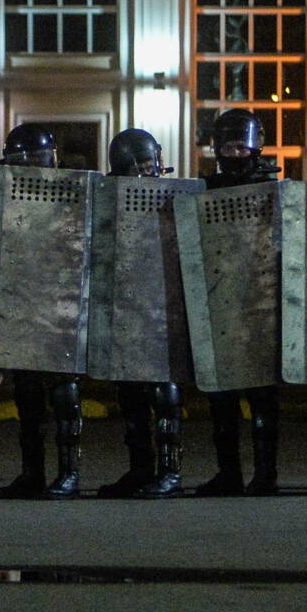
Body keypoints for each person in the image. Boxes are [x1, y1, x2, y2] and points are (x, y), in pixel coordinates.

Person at [0, 122, 86, 498]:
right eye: (24, 160)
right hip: (22, 303)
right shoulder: (2, 195)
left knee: (64, 393)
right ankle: (32, 473)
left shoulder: (72, 191)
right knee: (27, 396)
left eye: (38, 159)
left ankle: (69, 473)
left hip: (62, 304)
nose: (32, 166)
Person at [96, 128, 186, 498]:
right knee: (130, 394)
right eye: (142, 167)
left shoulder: (174, 195)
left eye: (152, 166)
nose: (150, 173)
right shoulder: (106, 197)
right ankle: (140, 468)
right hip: (124, 303)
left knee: (164, 393)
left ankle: (170, 471)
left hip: (164, 303)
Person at [198, 108, 281, 496]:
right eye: (228, 147)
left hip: (263, 301)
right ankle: (228, 472)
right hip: (219, 299)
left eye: (241, 147)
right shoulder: (206, 190)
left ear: (255, 148)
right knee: (221, 398)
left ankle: (266, 474)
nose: (234, 155)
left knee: (263, 398)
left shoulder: (274, 192)